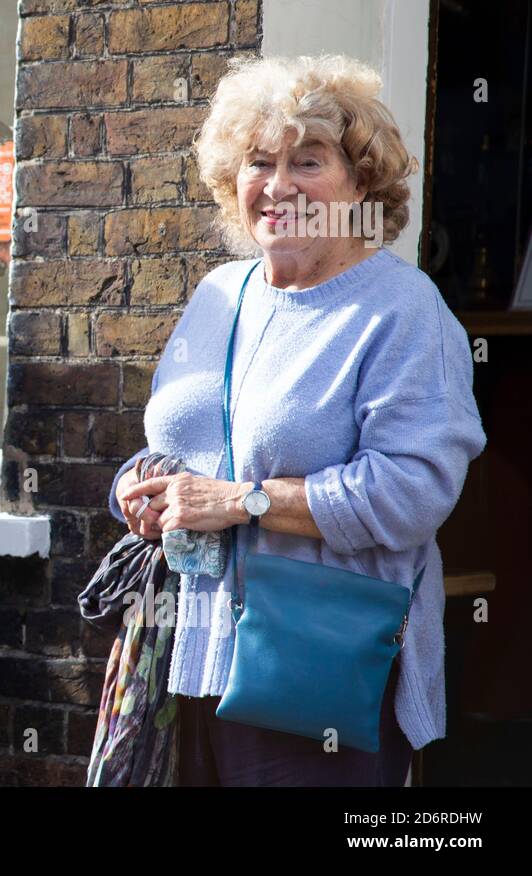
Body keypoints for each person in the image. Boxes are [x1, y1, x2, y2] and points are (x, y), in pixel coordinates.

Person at [109, 54, 486, 786]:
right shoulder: (220, 294)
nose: (278, 186)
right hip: (186, 661)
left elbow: (412, 493)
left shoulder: (402, 311)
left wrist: (241, 502)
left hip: (317, 677)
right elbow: (178, 441)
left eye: (307, 161)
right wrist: (140, 487)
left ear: (362, 183)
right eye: (257, 163)